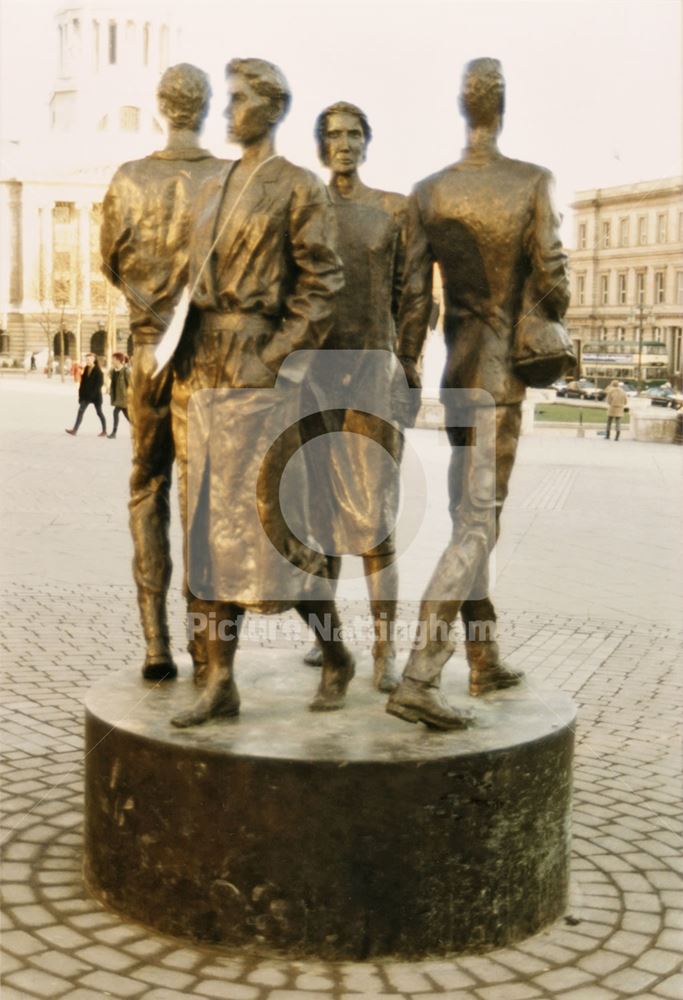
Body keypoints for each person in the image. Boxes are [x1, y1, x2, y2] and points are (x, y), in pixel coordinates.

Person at [387, 58, 570, 730]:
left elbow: (412, 298)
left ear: (462, 108)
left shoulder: (428, 192)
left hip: (456, 372)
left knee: (469, 511)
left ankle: (484, 658)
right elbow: (552, 281)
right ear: (501, 107)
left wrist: (406, 366)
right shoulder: (530, 183)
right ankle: (419, 676)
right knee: (478, 521)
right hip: (501, 378)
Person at [169, 58, 351, 728]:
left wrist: (275, 356)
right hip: (204, 367)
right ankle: (218, 680)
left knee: (272, 534)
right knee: (205, 535)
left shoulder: (298, 186)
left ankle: (334, 653)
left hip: (256, 366)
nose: (227, 106)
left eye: (240, 97)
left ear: (271, 107)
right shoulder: (214, 181)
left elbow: (322, 281)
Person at [101, 64, 226, 682]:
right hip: (209, 355)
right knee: (205, 500)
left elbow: (109, 261)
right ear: (206, 109)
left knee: (147, 489)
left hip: (150, 348)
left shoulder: (129, 179)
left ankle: (156, 644)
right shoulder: (230, 180)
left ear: (161, 107)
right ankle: (206, 651)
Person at [301, 101, 407, 693]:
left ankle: (385, 649)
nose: (343, 143)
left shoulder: (393, 211)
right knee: (318, 516)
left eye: (354, 134)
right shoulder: (306, 208)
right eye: (333, 135)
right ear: (322, 145)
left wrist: (407, 366)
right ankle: (328, 638)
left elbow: (410, 296)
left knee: (376, 520)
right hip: (315, 375)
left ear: (368, 141)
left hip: (370, 374)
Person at [65, 353, 107, 436]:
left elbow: (99, 385)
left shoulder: (98, 371)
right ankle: (74, 430)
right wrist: (80, 396)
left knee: (99, 413)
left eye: (89, 359)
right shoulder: (86, 368)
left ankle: (104, 431)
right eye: (86, 359)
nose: (87, 361)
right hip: (86, 396)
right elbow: (82, 383)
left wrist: (91, 395)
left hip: (96, 397)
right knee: (80, 411)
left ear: (94, 359)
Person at [107, 353, 131, 438]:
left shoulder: (126, 371)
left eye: (113, 359)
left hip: (124, 397)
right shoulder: (114, 370)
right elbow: (109, 376)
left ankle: (114, 433)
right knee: (128, 416)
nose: (112, 360)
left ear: (118, 360)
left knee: (115, 412)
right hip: (118, 397)